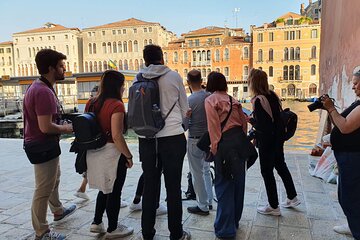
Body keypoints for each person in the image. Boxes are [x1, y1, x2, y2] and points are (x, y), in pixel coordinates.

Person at [132, 45, 190, 240]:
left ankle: (147, 233)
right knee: (173, 187)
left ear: (145, 59)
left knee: (150, 185)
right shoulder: (174, 76)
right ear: (162, 58)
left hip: (147, 140)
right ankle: (176, 233)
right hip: (173, 138)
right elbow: (184, 109)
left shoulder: (137, 77)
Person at [23, 49, 76, 240]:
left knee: (55, 178)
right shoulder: (43, 92)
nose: (65, 70)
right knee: (43, 188)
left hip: (44, 144)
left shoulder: (39, 86)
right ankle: (42, 232)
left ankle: (58, 210)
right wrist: (68, 129)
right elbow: (45, 127)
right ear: (51, 68)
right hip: (42, 144)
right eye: (61, 66)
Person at [85, 70, 134, 238]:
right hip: (112, 154)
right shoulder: (117, 105)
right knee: (114, 191)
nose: (123, 89)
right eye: (123, 85)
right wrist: (128, 156)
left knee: (103, 188)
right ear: (118, 86)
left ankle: (96, 222)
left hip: (93, 153)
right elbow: (116, 136)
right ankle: (113, 228)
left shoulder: (91, 102)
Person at [247, 68, 300, 216]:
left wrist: (249, 119)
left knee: (267, 171)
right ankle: (292, 197)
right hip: (278, 138)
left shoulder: (258, 100)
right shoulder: (272, 95)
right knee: (281, 166)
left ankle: (273, 205)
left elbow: (262, 125)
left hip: (266, 141)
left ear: (253, 82)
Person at [204, 72, 248, 239]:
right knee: (238, 184)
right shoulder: (233, 100)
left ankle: (225, 229)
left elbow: (213, 128)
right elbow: (244, 124)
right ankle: (234, 222)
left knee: (223, 186)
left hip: (224, 146)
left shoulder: (210, 100)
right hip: (239, 144)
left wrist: (214, 150)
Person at [321, 69, 360, 239]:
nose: (353, 86)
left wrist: (330, 109)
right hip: (347, 157)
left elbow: (344, 126)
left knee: (351, 197)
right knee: (345, 195)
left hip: (353, 158)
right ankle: (354, 224)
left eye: (356, 83)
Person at [183, 69, 213, 215]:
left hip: (195, 140)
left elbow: (185, 126)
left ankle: (202, 205)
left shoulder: (189, 101)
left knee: (197, 174)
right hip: (208, 141)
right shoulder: (210, 96)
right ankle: (209, 201)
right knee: (206, 170)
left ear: (188, 82)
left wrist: (186, 116)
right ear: (201, 81)